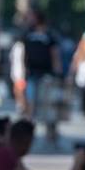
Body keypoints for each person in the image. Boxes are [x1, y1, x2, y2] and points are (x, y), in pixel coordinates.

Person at [21, 9, 61, 140]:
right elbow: (24, 52)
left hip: (47, 74)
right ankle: (28, 131)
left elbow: (54, 53)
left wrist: (57, 72)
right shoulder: (28, 33)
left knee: (48, 104)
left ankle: (51, 133)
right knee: (30, 102)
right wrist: (23, 69)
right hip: (32, 72)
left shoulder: (50, 34)